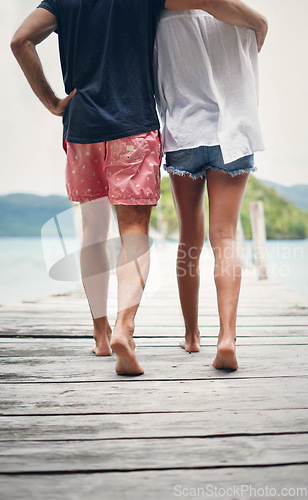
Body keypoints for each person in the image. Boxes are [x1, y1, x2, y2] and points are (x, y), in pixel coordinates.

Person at [11, 0, 268, 375]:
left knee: (95, 234)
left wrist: (53, 102)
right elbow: (207, 3)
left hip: (86, 129)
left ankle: (104, 335)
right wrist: (258, 24)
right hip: (137, 126)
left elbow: (20, 41)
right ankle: (128, 329)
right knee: (143, 232)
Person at [154, 8, 268, 370]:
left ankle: (191, 336)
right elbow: (255, 47)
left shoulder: (162, 13)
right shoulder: (238, 14)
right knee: (225, 237)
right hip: (233, 131)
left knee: (190, 236)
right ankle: (227, 337)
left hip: (184, 130)